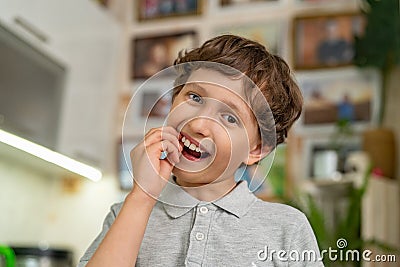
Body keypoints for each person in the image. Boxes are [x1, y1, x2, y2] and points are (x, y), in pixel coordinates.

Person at [79, 35, 324, 266]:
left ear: (256, 149)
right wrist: (141, 197)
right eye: (195, 97)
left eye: (229, 117)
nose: (198, 124)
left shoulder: (287, 228)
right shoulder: (127, 213)